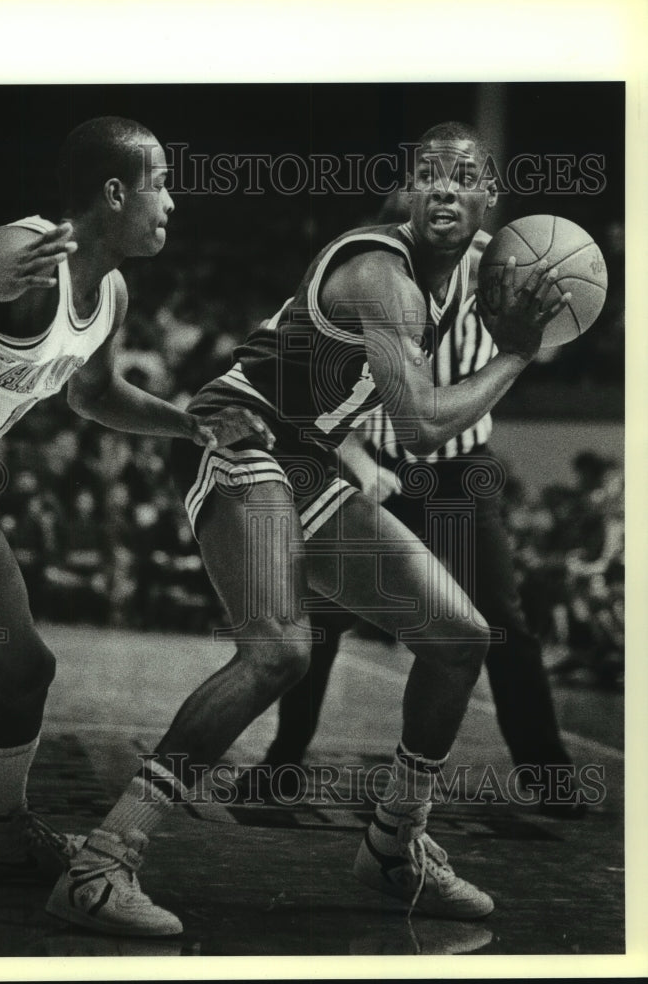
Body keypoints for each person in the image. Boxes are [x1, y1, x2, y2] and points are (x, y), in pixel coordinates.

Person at [45, 121, 571, 935]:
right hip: (242, 435)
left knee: (460, 636)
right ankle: (101, 862)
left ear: (488, 198)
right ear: (400, 191)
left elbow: (354, 391)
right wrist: (516, 355)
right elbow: (424, 424)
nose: (440, 187)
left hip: (310, 459)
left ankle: (394, 844)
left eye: (461, 175)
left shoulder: (465, 266)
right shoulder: (379, 273)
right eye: (424, 173)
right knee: (279, 653)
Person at [0, 116, 273, 888]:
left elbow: (93, 397)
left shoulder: (112, 296)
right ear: (115, 191)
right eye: (160, 183)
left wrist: (191, 425)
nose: (171, 202)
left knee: (25, 669)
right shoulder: (21, 250)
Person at [243, 190, 587, 817]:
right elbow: (296, 374)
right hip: (372, 464)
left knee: (504, 621)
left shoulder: (506, 264)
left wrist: (558, 307)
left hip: (460, 471)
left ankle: (548, 775)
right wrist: (356, 458)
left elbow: (556, 333)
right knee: (321, 620)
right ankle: (283, 762)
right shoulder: (363, 269)